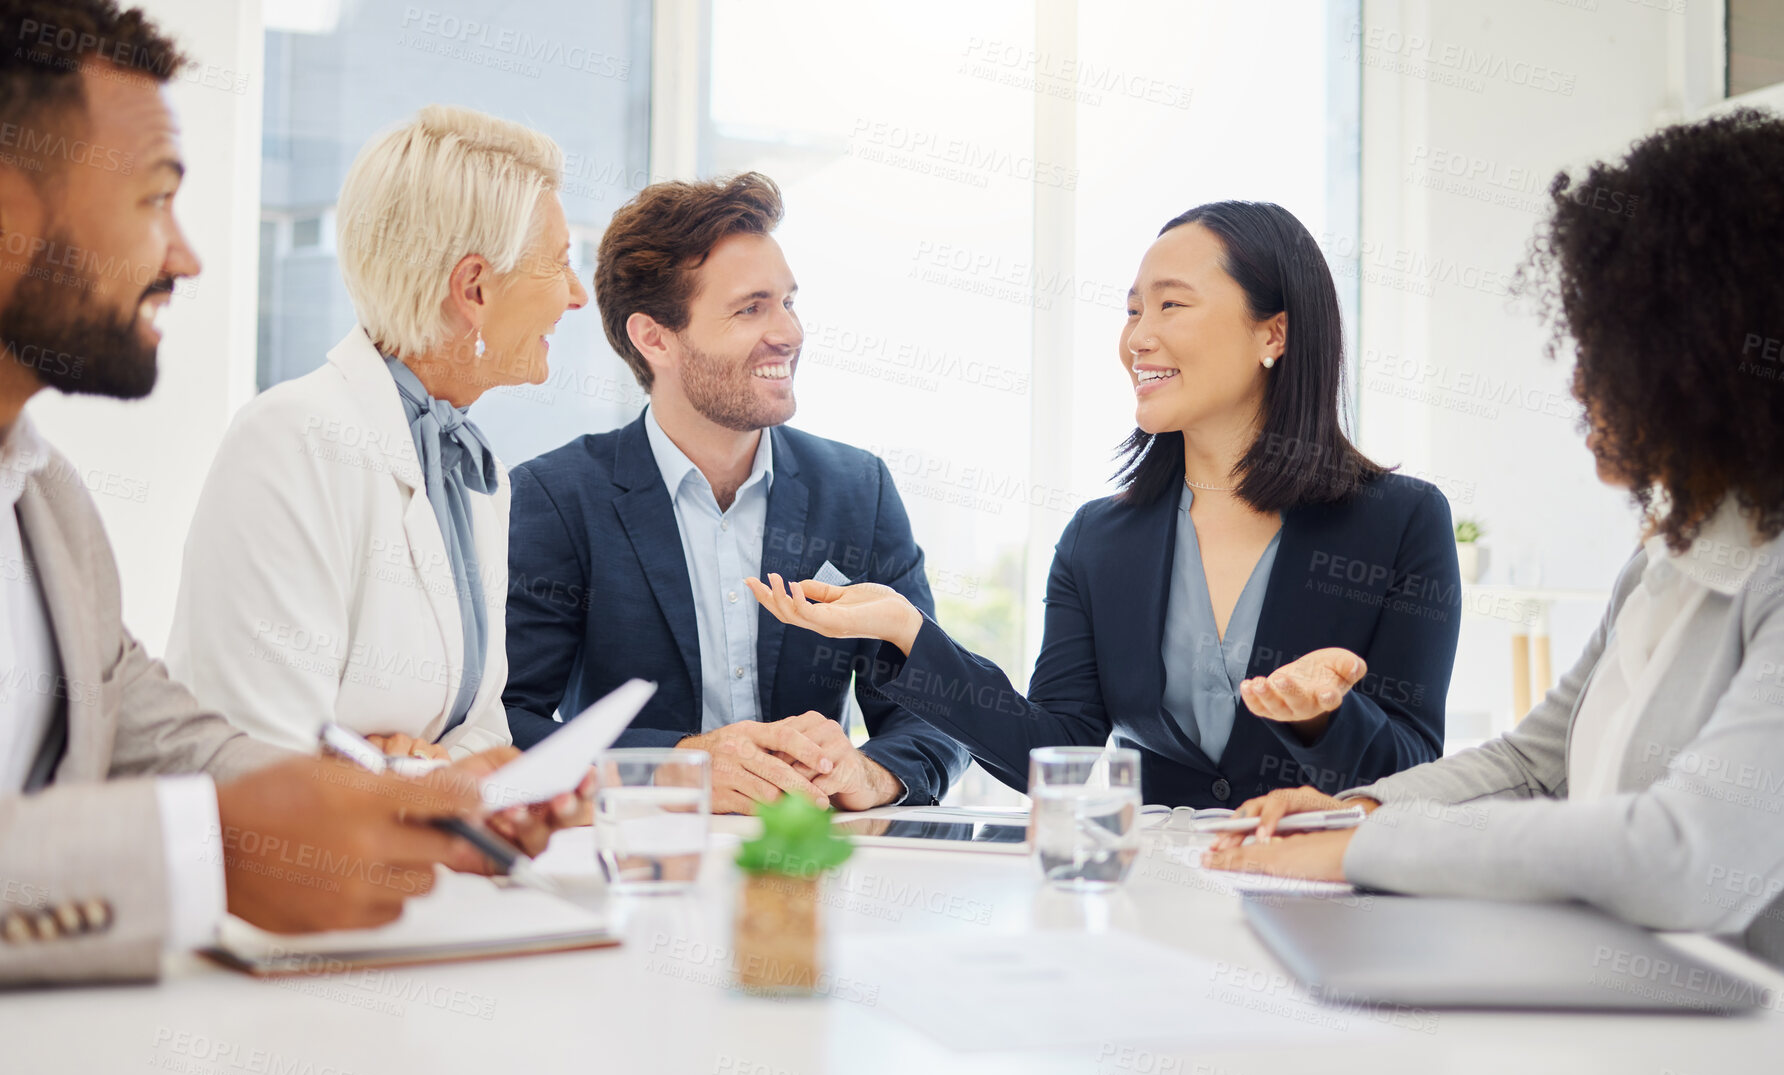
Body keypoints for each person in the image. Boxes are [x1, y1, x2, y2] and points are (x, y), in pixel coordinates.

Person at [1203, 110, 1784, 989]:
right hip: (1633, 1006)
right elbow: (1536, 766)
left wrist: (1368, 848)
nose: (1579, 385)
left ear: (1713, 364)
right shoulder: (1670, 556)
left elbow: (1687, 857)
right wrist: (1352, 811)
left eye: (1608, 354)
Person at [0, 0, 527, 985]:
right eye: (156, 198)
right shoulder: (291, 440)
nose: (186, 256)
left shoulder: (49, 504)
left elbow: (156, 733)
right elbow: (200, 824)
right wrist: (198, 854)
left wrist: (387, 802)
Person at [750, 201, 1459, 809]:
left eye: (1171, 305)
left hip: (1327, 908)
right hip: (1156, 911)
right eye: (1132, 310)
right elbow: (1052, 750)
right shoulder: (1100, 539)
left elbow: (1413, 772)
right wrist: (909, 633)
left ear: (1273, 332)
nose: (1136, 338)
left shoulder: (1399, 523)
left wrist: (1325, 715)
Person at [504, 172, 968, 814]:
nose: (789, 332)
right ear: (654, 338)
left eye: (788, 302)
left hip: (808, 864)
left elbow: (938, 715)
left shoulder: (858, 491)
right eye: (751, 308)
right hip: (640, 865)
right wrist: (674, 768)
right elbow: (507, 722)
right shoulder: (557, 497)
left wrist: (872, 774)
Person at [165, 105, 588, 761]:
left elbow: (483, 734)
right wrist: (417, 775)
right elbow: (262, 762)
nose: (577, 295)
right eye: (560, 263)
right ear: (474, 287)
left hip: (419, 862)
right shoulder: (291, 440)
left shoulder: (474, 472)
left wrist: (415, 768)